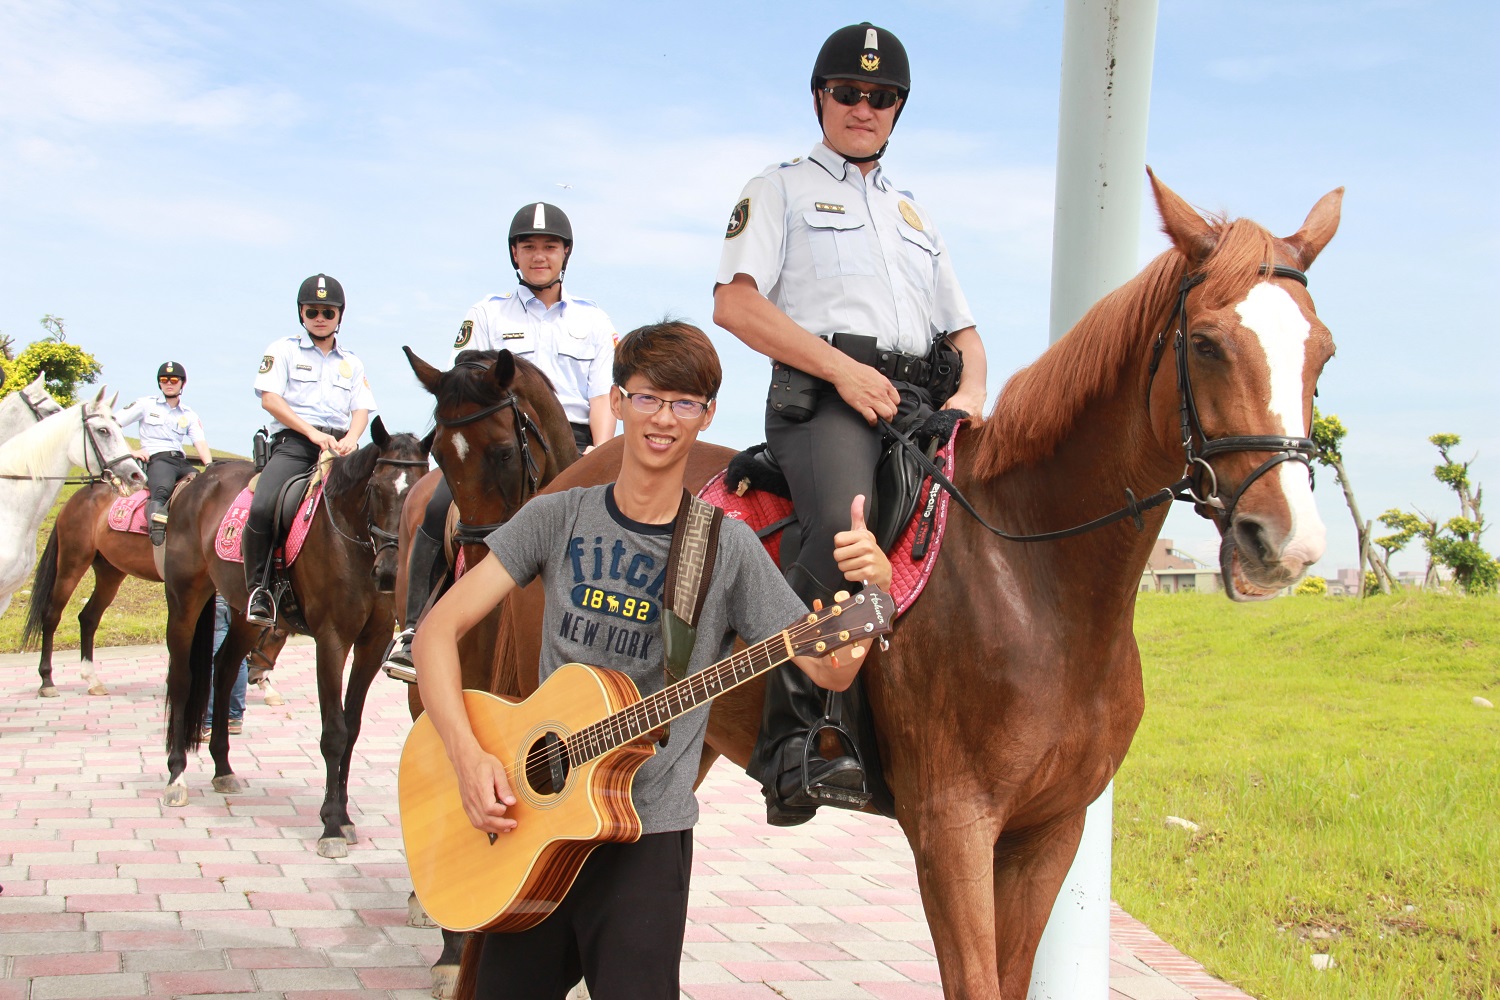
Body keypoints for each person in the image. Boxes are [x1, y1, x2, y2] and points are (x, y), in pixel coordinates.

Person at [412, 321, 875, 998]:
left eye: (685, 403)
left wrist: (875, 592)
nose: (664, 418)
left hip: (643, 845)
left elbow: (831, 669)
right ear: (620, 400)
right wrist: (468, 754)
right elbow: (435, 633)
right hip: (528, 827)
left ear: (707, 414)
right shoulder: (558, 517)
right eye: (649, 398)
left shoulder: (724, 549)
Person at [712, 22, 989, 825]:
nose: (863, 107)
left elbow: (965, 336)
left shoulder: (915, 215)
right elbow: (735, 304)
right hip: (824, 399)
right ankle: (795, 741)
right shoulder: (779, 188)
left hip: (918, 403)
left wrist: (968, 397)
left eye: (881, 96)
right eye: (848, 93)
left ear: (897, 109)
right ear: (820, 99)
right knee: (844, 528)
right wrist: (840, 369)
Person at [382, 202, 618, 675]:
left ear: (565, 254)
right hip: (498, 443)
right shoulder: (487, 312)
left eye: (549, 246)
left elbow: (602, 397)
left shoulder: (593, 321)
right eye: (528, 246)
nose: (539, 255)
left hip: (570, 442)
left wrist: (598, 450)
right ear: (514, 253)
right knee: (434, 508)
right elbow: (463, 382)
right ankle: (413, 629)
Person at [244, 273, 377, 626]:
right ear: (301, 314)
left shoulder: (352, 362)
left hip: (342, 448)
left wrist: (352, 436)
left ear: (339, 316)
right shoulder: (282, 349)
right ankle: (259, 591)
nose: (320, 317)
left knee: (386, 502)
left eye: (327, 312)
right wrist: (312, 434)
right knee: (262, 507)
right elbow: (271, 400)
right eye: (312, 311)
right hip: (295, 445)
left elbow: (361, 409)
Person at [120, 361, 212, 546]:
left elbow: (199, 442)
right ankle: (157, 532)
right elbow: (113, 423)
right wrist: (132, 451)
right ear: (159, 383)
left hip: (180, 461)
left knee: (203, 489)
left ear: (182, 383)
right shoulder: (146, 405)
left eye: (174, 380)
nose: (169, 383)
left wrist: (209, 465)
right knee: (162, 491)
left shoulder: (189, 414)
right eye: (164, 380)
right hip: (158, 459)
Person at [204, 595, 248, 735]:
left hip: (216, 598)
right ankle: (235, 717)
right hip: (241, 599)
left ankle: (208, 722)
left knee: (212, 661)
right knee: (239, 657)